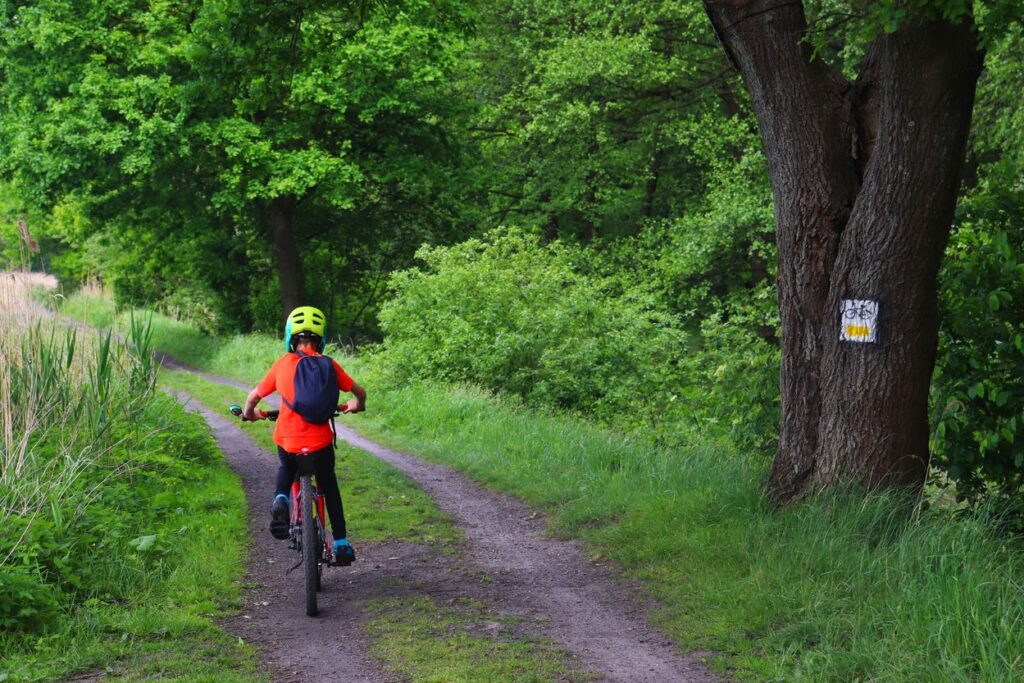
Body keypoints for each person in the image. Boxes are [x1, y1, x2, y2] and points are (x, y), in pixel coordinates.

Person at [240, 305, 366, 565]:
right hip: (319, 445)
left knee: (287, 464)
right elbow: (359, 392)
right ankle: (341, 542)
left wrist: (249, 413)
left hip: (289, 441)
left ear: (290, 337)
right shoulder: (330, 365)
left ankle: (281, 498)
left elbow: (253, 397)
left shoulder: (282, 364)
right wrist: (357, 405)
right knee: (328, 483)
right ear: (321, 339)